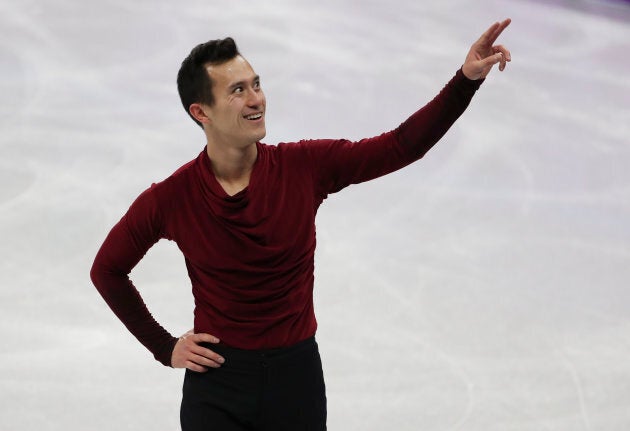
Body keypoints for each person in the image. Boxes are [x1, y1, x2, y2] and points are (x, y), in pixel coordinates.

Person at [90, 18, 511, 431]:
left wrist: (465, 81)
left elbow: (402, 145)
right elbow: (107, 270)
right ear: (201, 112)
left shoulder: (304, 167)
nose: (256, 99)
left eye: (256, 84)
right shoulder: (171, 198)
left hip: (295, 383)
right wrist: (164, 347)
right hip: (217, 385)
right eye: (238, 90)